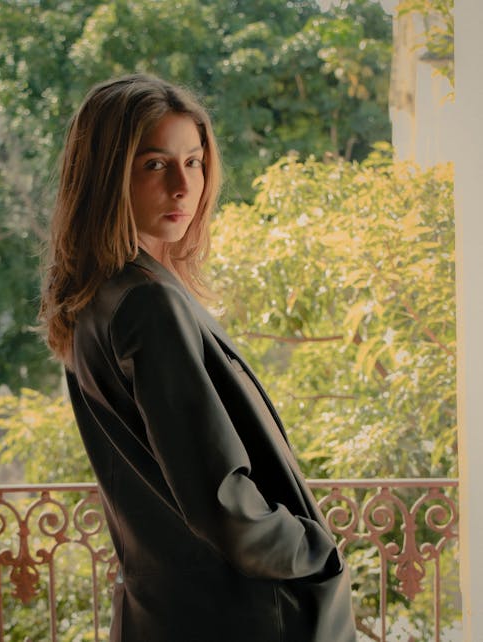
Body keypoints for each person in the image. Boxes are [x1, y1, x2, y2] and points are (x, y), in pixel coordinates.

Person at [40, 73, 356, 642]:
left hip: (165, 612)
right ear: (107, 177)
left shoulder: (95, 298)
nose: (184, 187)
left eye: (195, 161)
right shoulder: (148, 303)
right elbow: (221, 501)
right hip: (238, 618)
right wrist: (313, 549)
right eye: (155, 165)